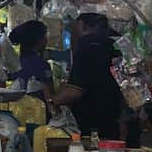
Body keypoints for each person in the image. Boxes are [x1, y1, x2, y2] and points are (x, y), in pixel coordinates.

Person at [51, 13, 124, 141]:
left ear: (81, 25)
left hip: (92, 119)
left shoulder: (88, 47)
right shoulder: (115, 46)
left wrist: (53, 101)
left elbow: (75, 91)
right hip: (114, 114)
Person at [8, 19, 52, 101]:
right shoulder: (42, 66)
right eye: (45, 36)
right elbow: (49, 97)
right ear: (39, 39)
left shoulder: (13, 64)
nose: (47, 40)